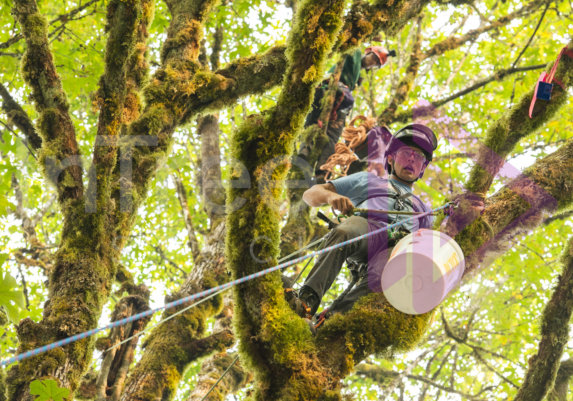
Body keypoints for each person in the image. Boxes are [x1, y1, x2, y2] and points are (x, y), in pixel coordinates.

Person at [285, 124, 439, 324]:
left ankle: (330, 322)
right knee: (347, 231)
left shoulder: (425, 211)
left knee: (384, 277)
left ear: (423, 168)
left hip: (398, 250)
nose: (411, 159)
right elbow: (310, 195)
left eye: (418, 156)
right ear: (391, 158)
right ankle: (306, 301)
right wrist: (332, 197)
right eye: (406, 152)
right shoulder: (368, 181)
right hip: (367, 229)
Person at [299, 47, 397, 184]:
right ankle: (305, 150)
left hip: (339, 100)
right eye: (373, 58)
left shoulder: (357, 76)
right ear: (367, 52)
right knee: (312, 124)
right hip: (330, 89)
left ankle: (322, 172)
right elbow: (353, 41)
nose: (372, 63)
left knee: (332, 137)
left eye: (375, 64)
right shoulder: (355, 52)